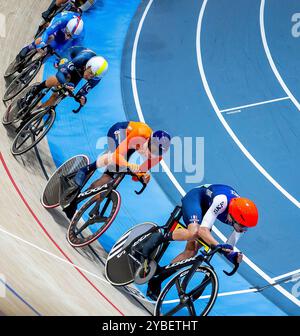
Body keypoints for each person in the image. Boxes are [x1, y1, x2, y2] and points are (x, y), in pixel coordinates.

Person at [139, 184, 259, 299]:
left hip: (208, 209)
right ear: (233, 216)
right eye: (243, 227)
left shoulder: (241, 221)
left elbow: (228, 247)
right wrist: (220, 247)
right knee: (194, 232)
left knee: (192, 251)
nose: (244, 230)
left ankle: (158, 278)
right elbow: (202, 231)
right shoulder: (222, 201)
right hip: (196, 199)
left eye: (246, 228)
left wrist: (232, 256)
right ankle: (159, 237)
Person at [62, 122, 172, 219]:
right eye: (152, 149)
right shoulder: (140, 132)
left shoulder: (158, 157)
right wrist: (128, 164)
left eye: (157, 152)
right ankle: (86, 169)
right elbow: (117, 156)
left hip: (132, 145)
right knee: (112, 157)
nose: (152, 153)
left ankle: (78, 199)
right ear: (149, 140)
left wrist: (143, 177)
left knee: (110, 178)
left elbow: (135, 176)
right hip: (120, 132)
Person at [18, 46, 108, 110]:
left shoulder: (96, 77)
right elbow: (61, 73)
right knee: (58, 80)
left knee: (63, 93)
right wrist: (64, 83)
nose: (89, 77)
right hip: (70, 57)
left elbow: (81, 93)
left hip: (79, 72)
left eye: (92, 76)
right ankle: (33, 93)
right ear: (88, 66)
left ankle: (37, 111)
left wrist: (81, 99)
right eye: (90, 73)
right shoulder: (82, 58)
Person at [16, 11, 84, 63]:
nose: (68, 38)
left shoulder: (80, 35)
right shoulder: (63, 20)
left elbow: (71, 49)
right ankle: (28, 48)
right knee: (50, 37)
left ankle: (35, 66)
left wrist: (62, 57)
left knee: (55, 49)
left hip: (67, 29)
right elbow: (47, 32)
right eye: (68, 35)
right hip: (59, 20)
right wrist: (42, 42)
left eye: (71, 37)